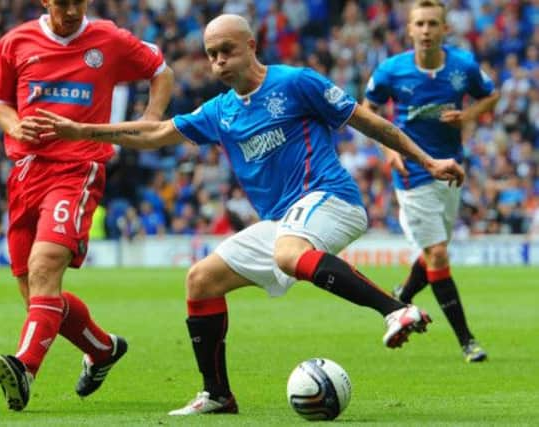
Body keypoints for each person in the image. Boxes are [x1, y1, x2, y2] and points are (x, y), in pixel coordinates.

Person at [35, 14, 464, 416]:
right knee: (202, 280)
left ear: (251, 46)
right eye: (211, 54)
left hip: (330, 198)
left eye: (227, 50)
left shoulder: (295, 83)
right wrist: (83, 130)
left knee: (287, 251)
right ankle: (217, 394)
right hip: (284, 221)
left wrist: (428, 162)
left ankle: (395, 309)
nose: (219, 60)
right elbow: (157, 133)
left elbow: (369, 123)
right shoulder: (220, 111)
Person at [0, 0, 174, 411]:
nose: (71, 11)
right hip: (25, 173)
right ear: (45, 1)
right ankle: (103, 349)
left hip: (77, 167)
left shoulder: (108, 39)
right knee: (36, 295)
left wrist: (150, 120)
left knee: (45, 268)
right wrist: (14, 124)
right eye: (63, 2)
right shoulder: (15, 43)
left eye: (78, 2)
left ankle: (24, 369)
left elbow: (160, 70)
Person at [362, 0, 499, 363]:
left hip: (451, 168)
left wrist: (468, 115)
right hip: (412, 171)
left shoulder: (463, 66)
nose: (425, 30)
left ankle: (401, 296)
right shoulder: (392, 70)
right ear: (409, 30)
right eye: (419, 24)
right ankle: (467, 341)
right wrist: (387, 152)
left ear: (444, 30)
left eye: (432, 24)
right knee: (437, 253)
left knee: (432, 254)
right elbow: (367, 110)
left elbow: (492, 95)